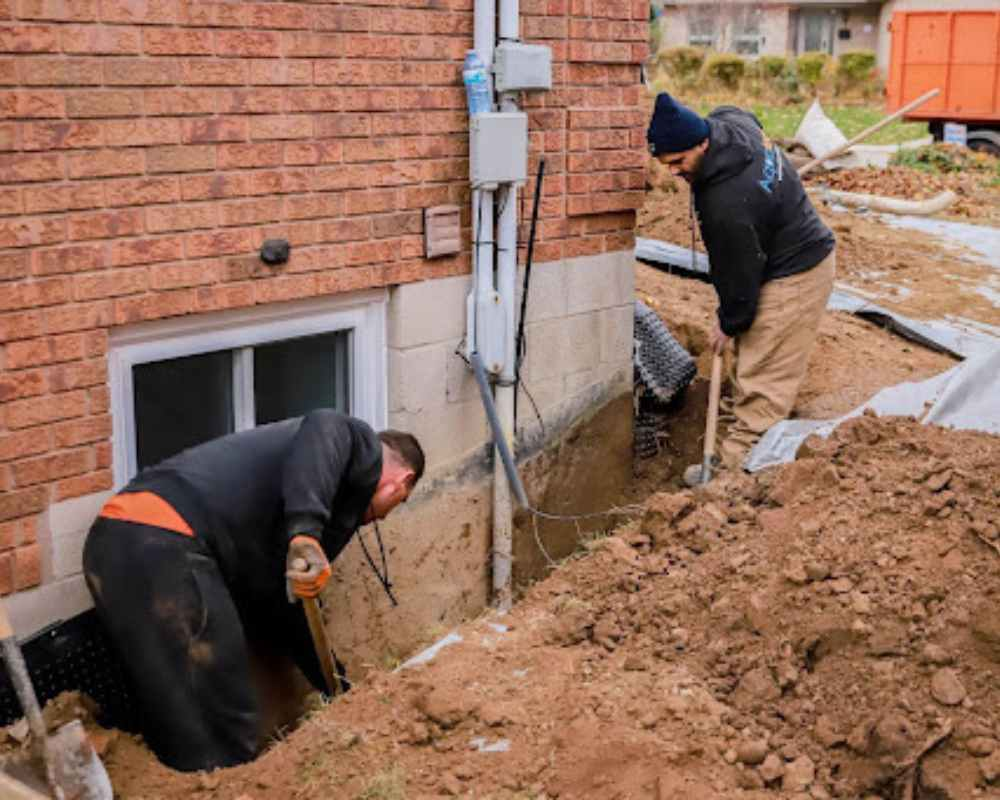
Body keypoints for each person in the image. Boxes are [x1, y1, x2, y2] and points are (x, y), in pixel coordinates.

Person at [82, 410, 424, 771]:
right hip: (159, 536)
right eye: (399, 502)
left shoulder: (306, 503)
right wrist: (305, 531)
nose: (385, 517)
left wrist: (336, 686)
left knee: (181, 711)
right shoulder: (357, 443)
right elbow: (325, 426)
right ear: (402, 482)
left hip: (122, 543)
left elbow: (286, 607)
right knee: (225, 711)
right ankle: (228, 786)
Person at [646, 92, 836, 480]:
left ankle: (735, 484)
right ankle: (722, 458)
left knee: (763, 382)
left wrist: (729, 321)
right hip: (773, 255)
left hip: (796, 274)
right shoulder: (730, 122)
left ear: (702, 143)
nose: (674, 172)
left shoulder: (726, 205)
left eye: (679, 162)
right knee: (747, 362)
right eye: (666, 165)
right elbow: (748, 114)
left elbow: (740, 278)